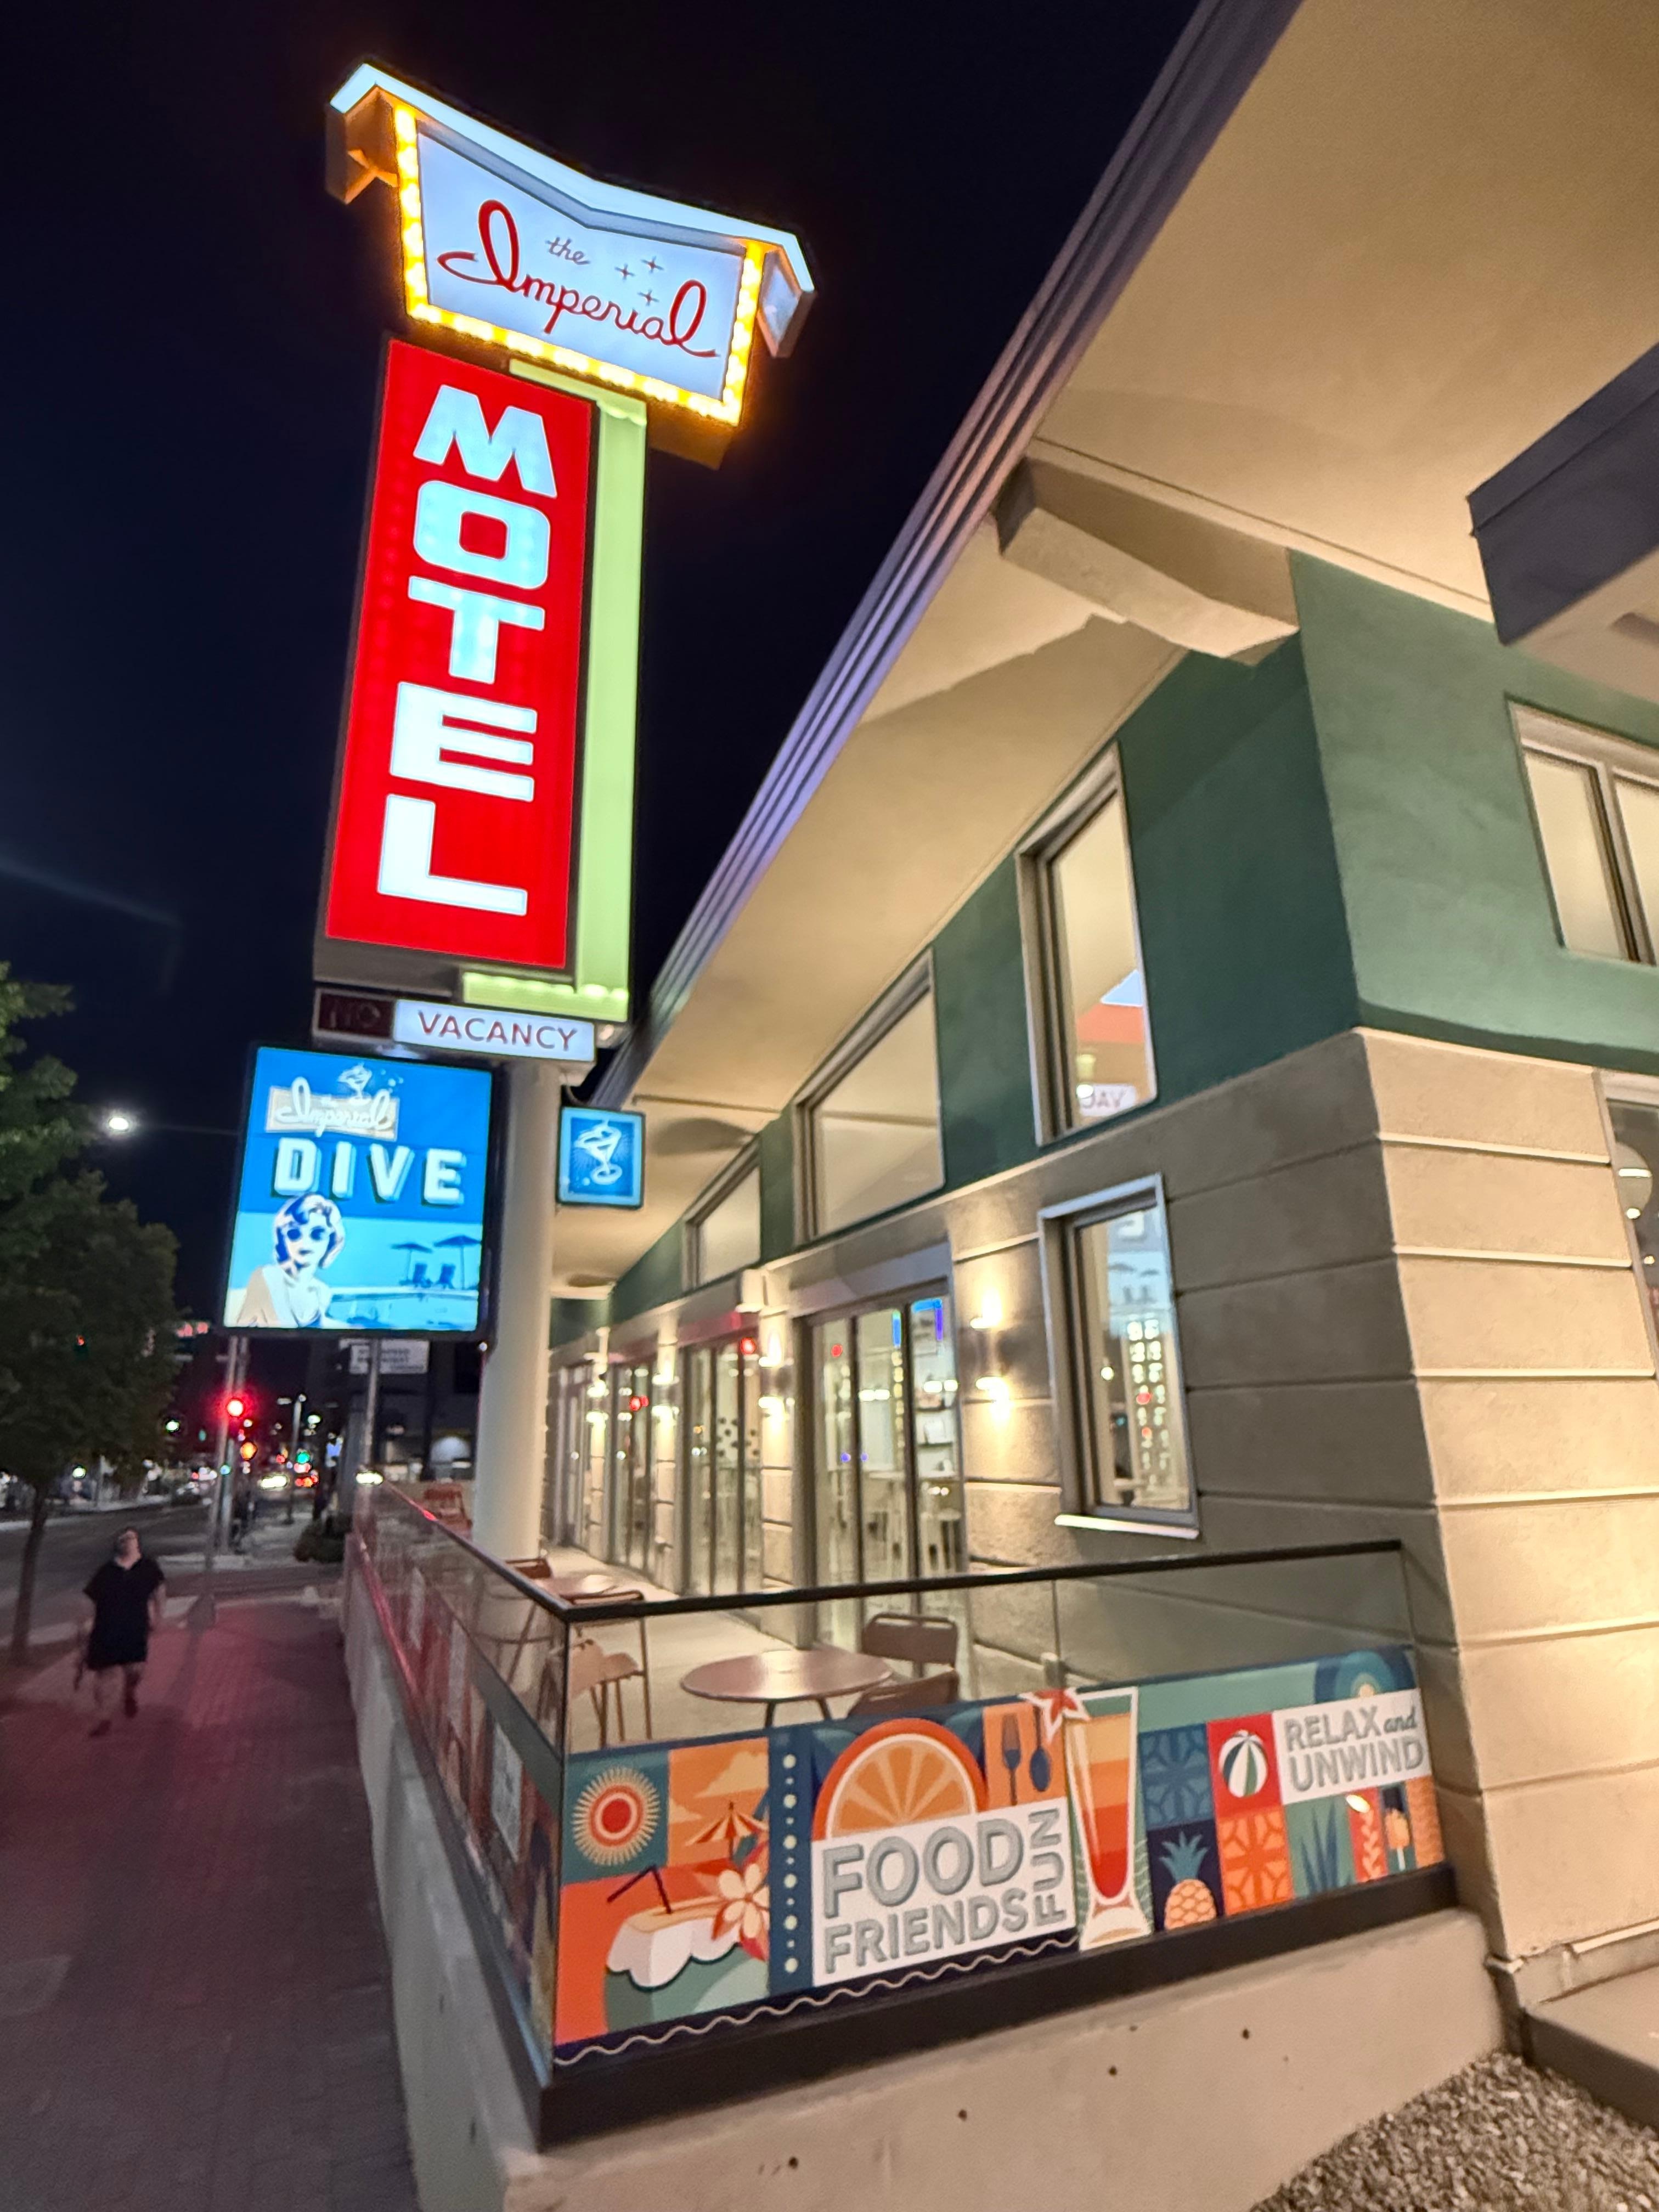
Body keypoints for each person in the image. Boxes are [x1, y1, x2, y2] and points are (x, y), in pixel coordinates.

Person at [81, 1527, 166, 1736]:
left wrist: (158, 1617)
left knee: (135, 1670)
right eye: (122, 1539)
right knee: (106, 1675)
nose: (126, 1542)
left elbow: (160, 1592)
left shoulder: (148, 1568)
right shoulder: (106, 1572)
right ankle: (104, 1717)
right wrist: (86, 1625)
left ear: (137, 1543)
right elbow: (91, 1600)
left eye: (130, 1538)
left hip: (135, 1628)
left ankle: (129, 1692)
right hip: (106, 1628)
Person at [236, 1194, 346, 1328]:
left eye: (317, 1234)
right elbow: (283, 1327)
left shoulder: (322, 1291)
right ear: (283, 1239)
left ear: (333, 1240)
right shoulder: (267, 1276)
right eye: (294, 1233)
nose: (305, 1242)